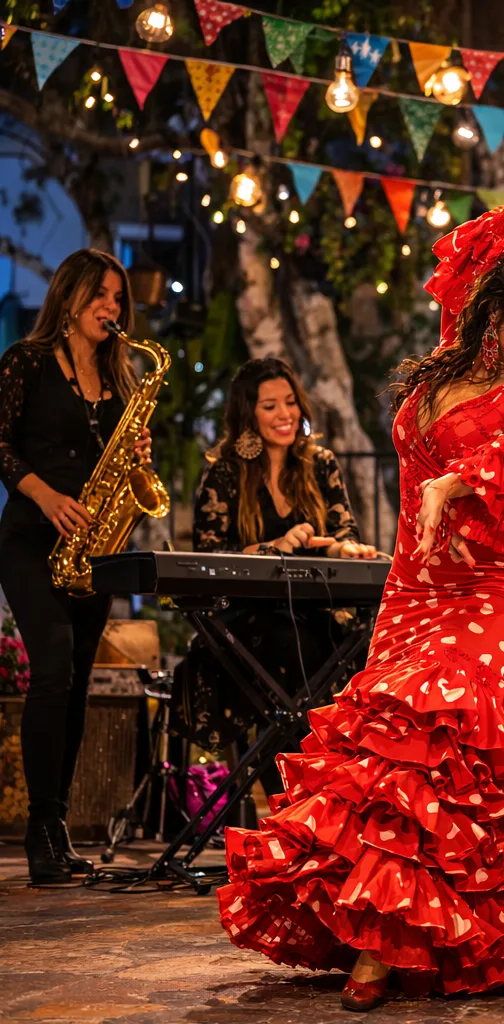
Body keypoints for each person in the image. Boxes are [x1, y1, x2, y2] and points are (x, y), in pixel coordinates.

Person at [218, 128, 504, 1011]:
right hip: (413, 593)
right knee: (392, 762)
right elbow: (476, 257)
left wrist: (458, 477)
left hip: (491, 601)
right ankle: (423, 927)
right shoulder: (457, 349)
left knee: (430, 735)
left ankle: (381, 952)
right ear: (495, 313)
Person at [0, 249, 152, 885]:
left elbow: (126, 469)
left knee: (77, 682)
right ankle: (39, 827)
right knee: (54, 666)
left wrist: (138, 455)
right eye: (99, 294)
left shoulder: (122, 379)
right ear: (68, 298)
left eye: (117, 298)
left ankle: (57, 825)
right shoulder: (26, 362)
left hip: (93, 550)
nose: (110, 307)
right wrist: (42, 492)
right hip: (31, 539)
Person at [180, 357, 378, 799]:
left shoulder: (320, 463)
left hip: (317, 612)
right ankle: (293, 801)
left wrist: (341, 547)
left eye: (290, 402)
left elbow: (344, 535)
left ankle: (335, 798)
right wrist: (275, 547)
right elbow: (211, 554)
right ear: (246, 412)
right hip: (248, 619)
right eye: (269, 406)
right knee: (293, 648)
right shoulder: (225, 472)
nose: (285, 414)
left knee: (360, 651)